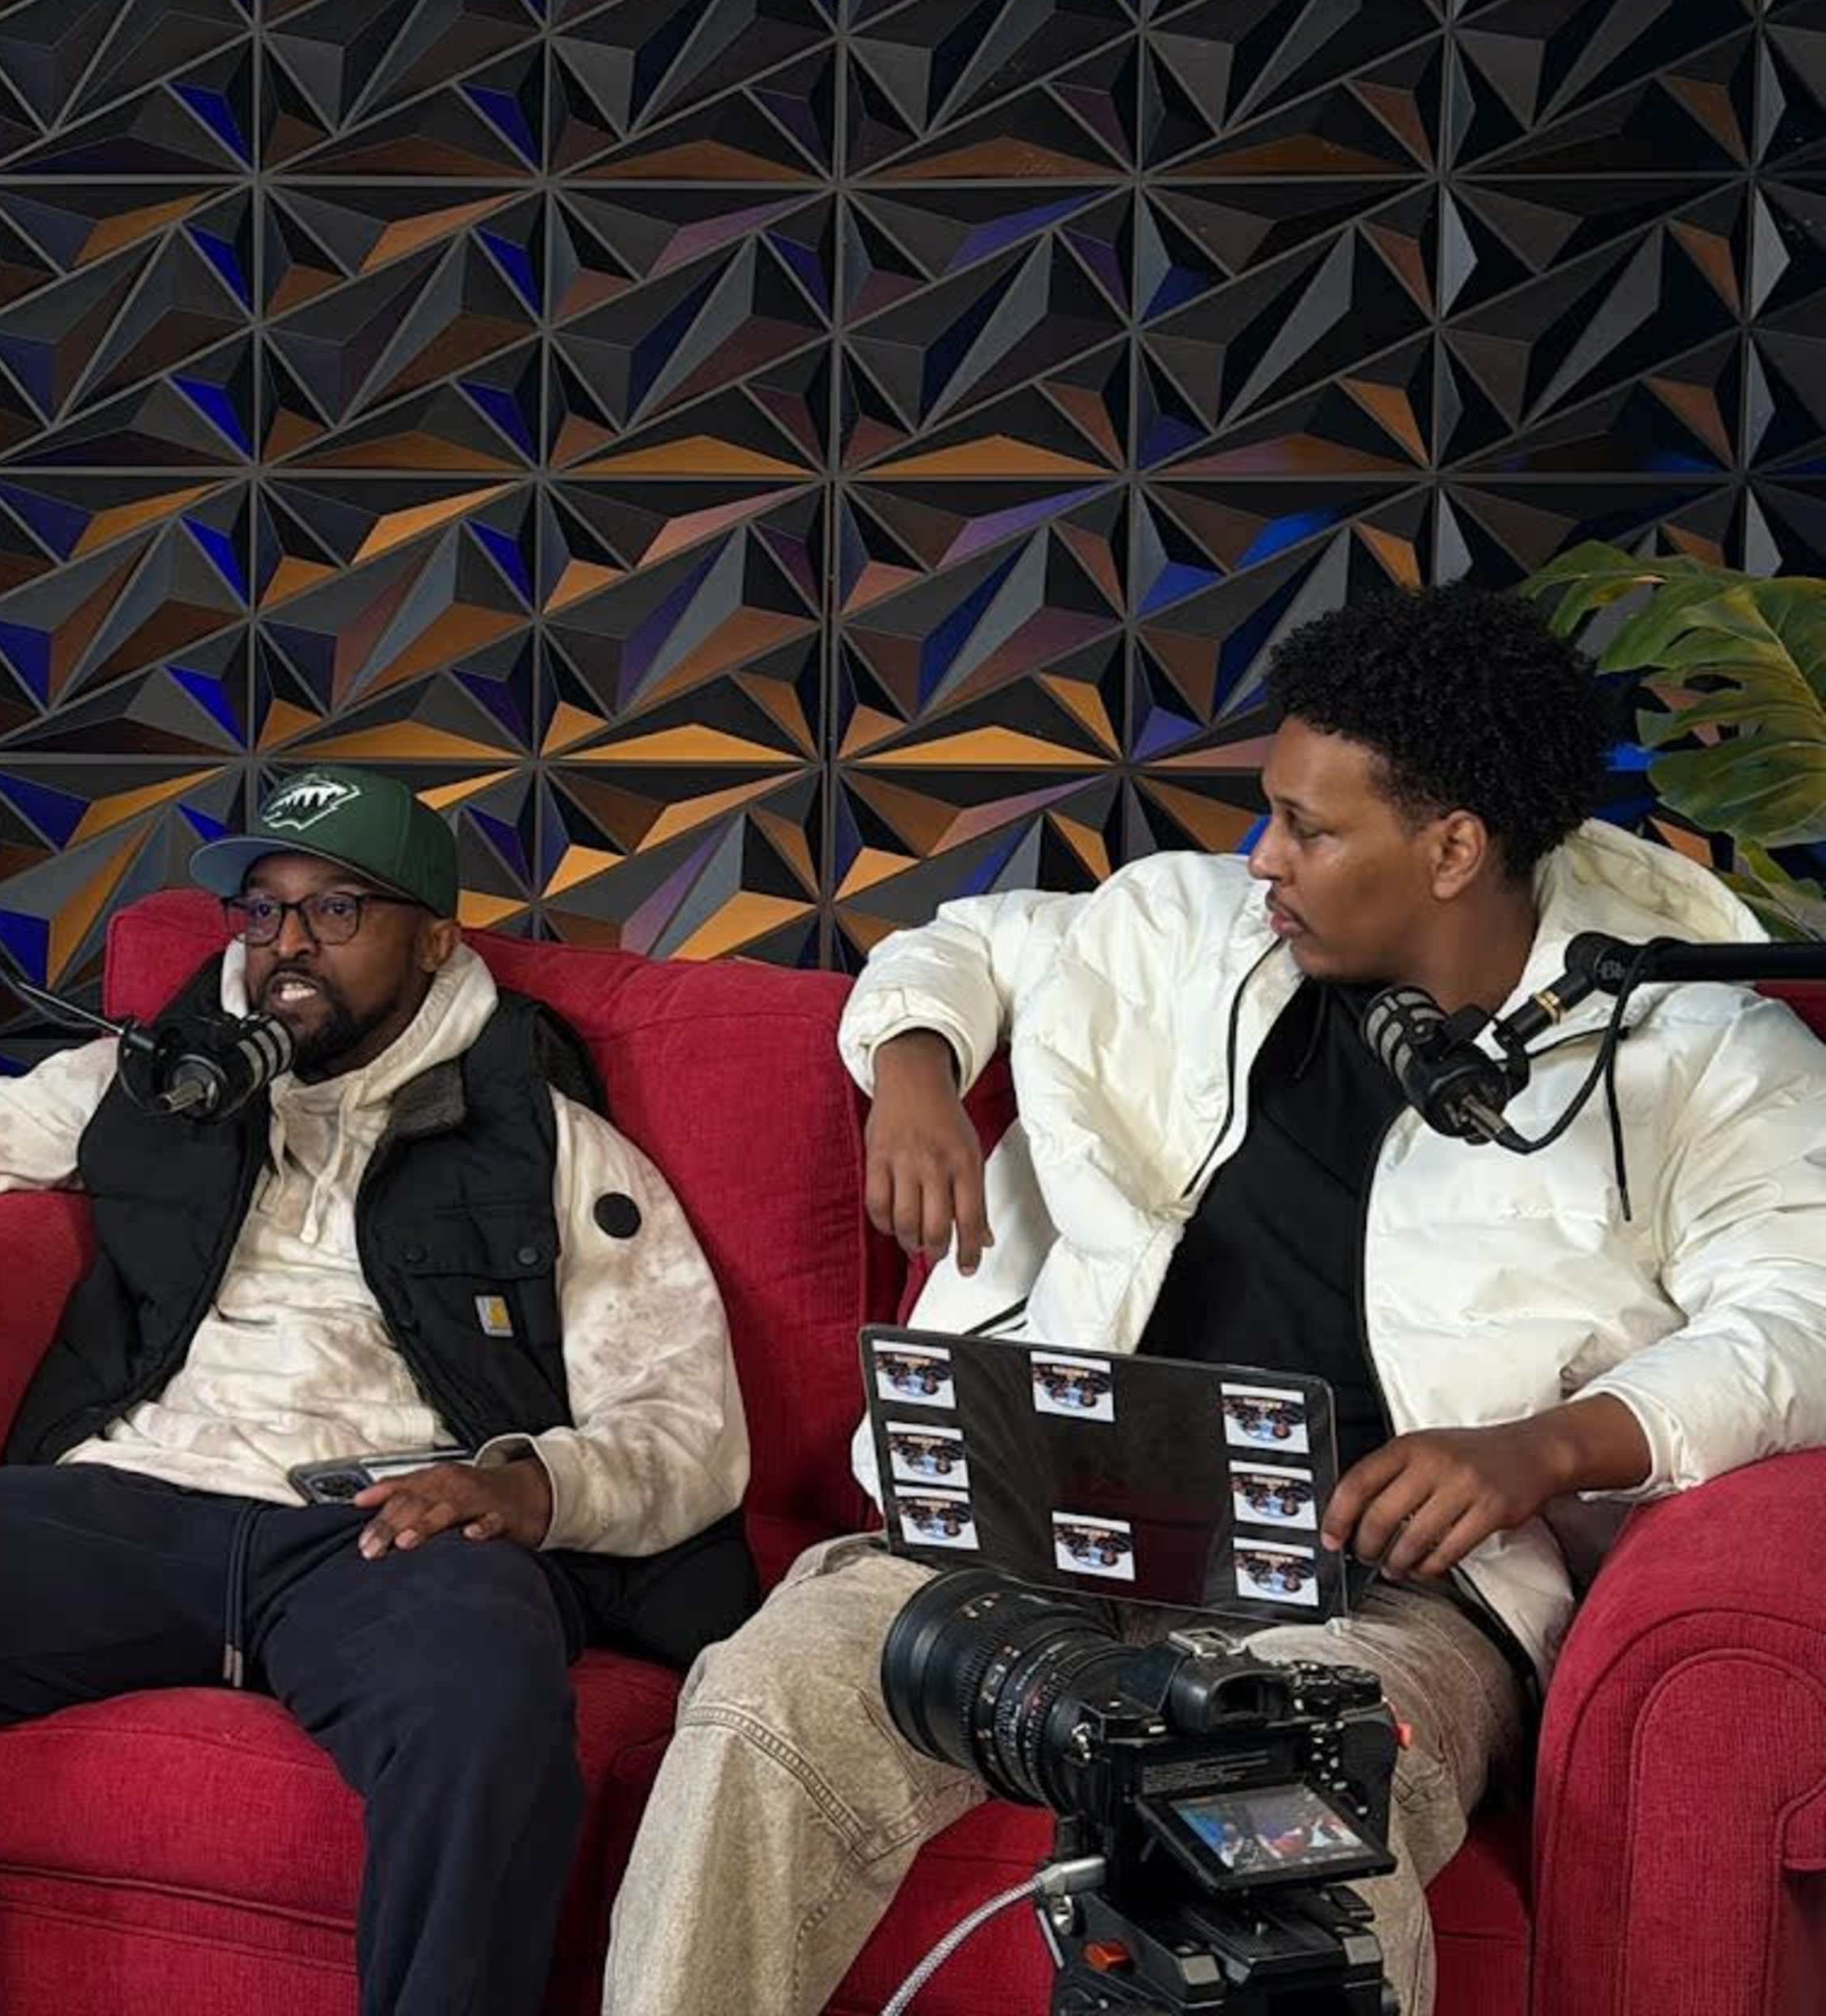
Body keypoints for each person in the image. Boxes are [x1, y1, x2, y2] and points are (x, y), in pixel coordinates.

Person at [604, 583, 1826, 2015]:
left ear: (1452, 848)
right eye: (1269, 812)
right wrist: (918, 1071)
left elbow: (1799, 1310)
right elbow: (973, 943)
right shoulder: (1183, 930)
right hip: (1051, 1531)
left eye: (1311, 828)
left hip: (1389, 1593)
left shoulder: (1695, 1049)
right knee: (762, 1704)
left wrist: (1544, 1450)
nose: (1264, 857)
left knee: (1286, 1847)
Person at [0, 765, 756, 2016]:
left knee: (484, 1707)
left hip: (388, 1528)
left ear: (434, 938)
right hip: (137, 1498)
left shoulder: (551, 1140)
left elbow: (687, 1424)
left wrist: (530, 1485)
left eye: (337, 911)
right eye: (262, 911)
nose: (287, 947)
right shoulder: (151, 1080)